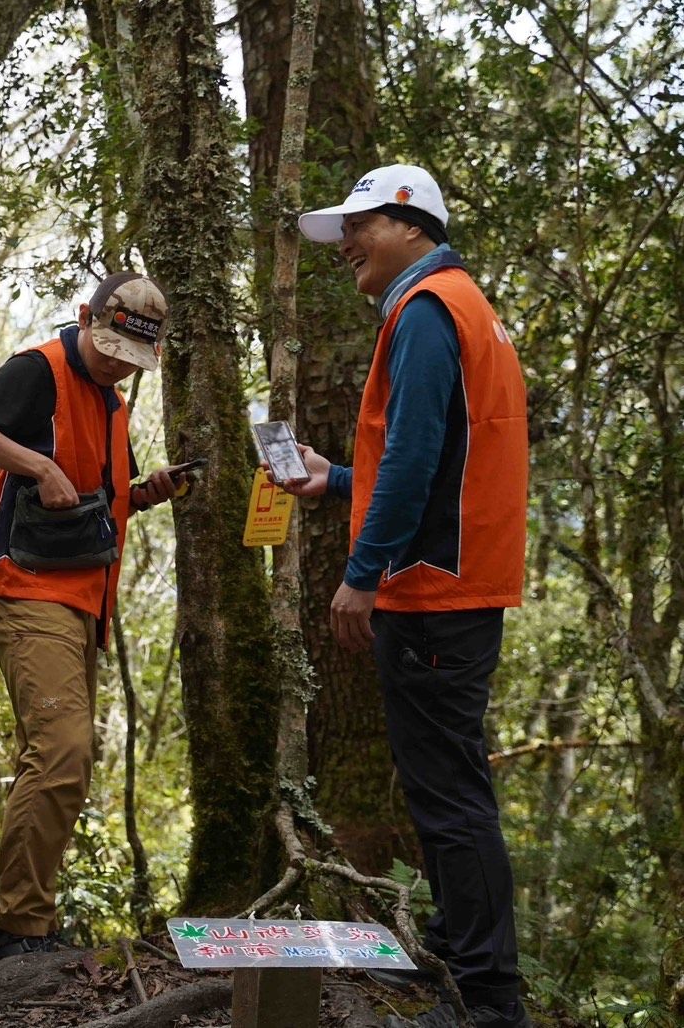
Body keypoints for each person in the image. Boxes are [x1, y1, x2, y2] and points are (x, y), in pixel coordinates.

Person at [283, 164, 530, 1028]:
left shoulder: (427, 311)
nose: (344, 244)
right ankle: (461, 958)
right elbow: (430, 459)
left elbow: (421, 458)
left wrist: (361, 572)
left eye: (357, 225)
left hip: (433, 586)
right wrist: (338, 479)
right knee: (443, 783)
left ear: (409, 222)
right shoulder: (464, 306)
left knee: (448, 792)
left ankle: (488, 997)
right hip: (457, 577)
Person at [0, 273, 185, 961]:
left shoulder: (111, 403)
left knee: (63, 757)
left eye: (128, 360)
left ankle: (28, 919)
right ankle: (19, 928)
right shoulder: (39, 369)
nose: (113, 366)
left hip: (83, 598)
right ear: (84, 317)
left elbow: (97, 501)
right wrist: (32, 464)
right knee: (62, 750)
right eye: (107, 350)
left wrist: (147, 492)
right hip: (27, 584)